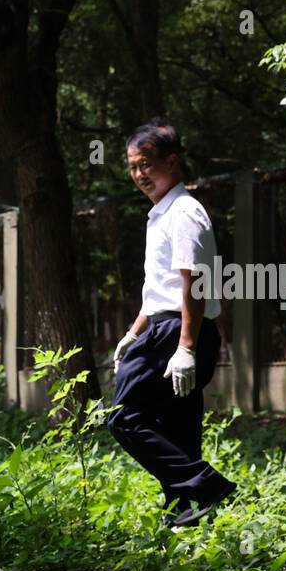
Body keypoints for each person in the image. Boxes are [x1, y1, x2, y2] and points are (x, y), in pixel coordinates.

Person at [108, 119, 236, 528]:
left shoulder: (184, 212)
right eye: (132, 167)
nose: (139, 174)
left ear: (172, 161)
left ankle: (206, 485)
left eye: (147, 164)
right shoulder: (161, 214)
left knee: (125, 418)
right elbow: (159, 288)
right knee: (175, 428)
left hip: (178, 332)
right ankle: (184, 518)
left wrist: (185, 347)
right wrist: (133, 332)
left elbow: (193, 282)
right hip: (166, 328)